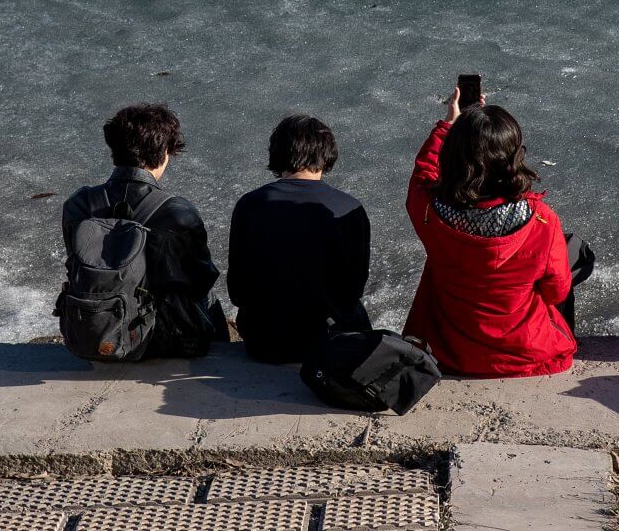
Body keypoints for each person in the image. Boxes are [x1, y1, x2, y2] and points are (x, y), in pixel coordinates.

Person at [402, 85, 578, 378]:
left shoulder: (431, 211)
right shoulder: (541, 222)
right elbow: (556, 291)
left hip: (448, 351)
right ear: (513, 157)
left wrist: (448, 126)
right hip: (523, 354)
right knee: (576, 253)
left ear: (453, 155)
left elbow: (422, 175)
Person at [61, 103, 227, 358]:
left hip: (92, 332)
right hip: (157, 339)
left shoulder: (79, 204)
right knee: (209, 297)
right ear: (165, 151)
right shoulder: (177, 212)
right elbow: (201, 278)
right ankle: (222, 358)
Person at [228, 115, 371, 364]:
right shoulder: (349, 208)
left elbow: (238, 291)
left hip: (264, 341)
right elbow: (353, 288)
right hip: (329, 342)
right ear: (327, 154)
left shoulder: (249, 204)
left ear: (277, 153)